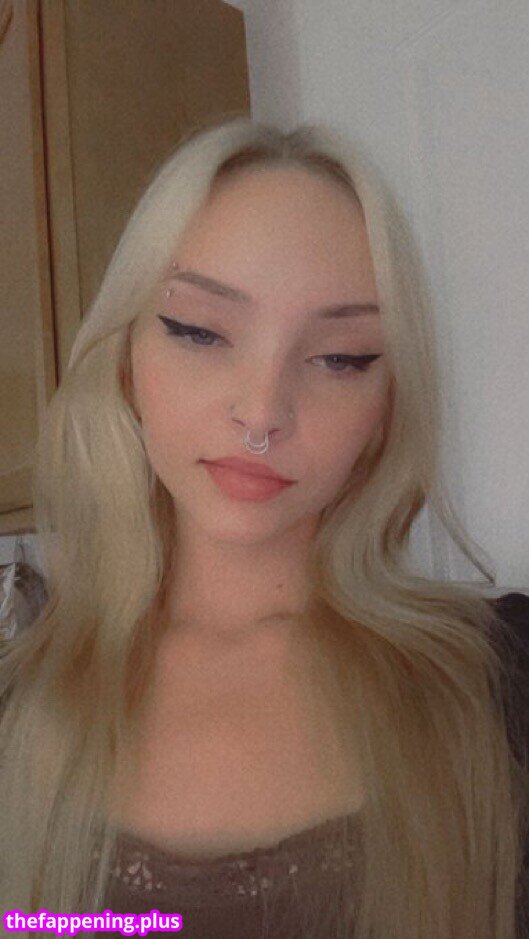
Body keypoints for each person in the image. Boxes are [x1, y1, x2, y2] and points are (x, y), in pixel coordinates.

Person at [0, 117, 527, 939]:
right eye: (199, 331)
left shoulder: (501, 683)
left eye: (340, 357)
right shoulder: (15, 705)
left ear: (385, 406)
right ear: (126, 360)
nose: (261, 413)